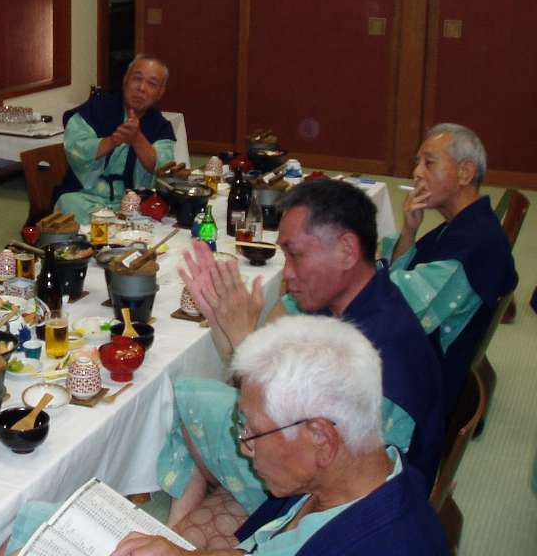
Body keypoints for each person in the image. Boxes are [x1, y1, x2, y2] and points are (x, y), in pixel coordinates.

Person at [157, 180, 443, 546]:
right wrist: (224, 322)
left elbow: (330, 464)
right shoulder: (345, 302)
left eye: (296, 256)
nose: (287, 273)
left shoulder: (388, 349)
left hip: (328, 495)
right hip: (314, 469)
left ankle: (189, 520)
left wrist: (244, 338)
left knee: (187, 395)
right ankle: (179, 529)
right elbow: (264, 394)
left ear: (346, 250)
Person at [110, 317, 448, 556]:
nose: (245, 446)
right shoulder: (356, 476)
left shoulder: (377, 542)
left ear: (321, 438)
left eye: (254, 432)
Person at [383, 123, 517, 417]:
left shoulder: (474, 246)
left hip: (420, 387)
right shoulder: (469, 222)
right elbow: (399, 287)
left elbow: (394, 313)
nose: (416, 173)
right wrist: (409, 231)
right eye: (417, 162)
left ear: (465, 173)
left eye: (429, 163)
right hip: (421, 353)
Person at [54, 55, 175, 222]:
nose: (141, 88)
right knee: (68, 203)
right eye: (137, 79)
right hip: (88, 197)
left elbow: (163, 168)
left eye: (152, 84)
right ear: (125, 80)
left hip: (135, 204)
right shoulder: (97, 108)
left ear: (160, 92)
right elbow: (76, 146)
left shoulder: (160, 125)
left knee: (158, 215)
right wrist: (112, 141)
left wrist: (137, 138)